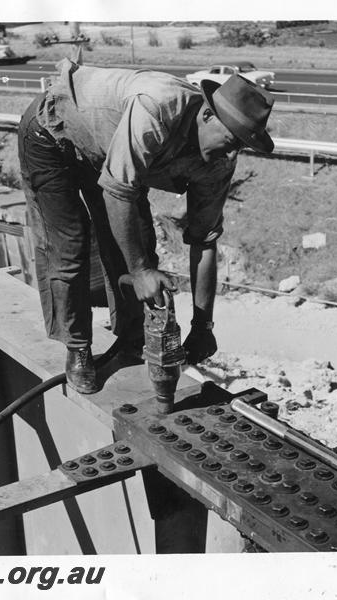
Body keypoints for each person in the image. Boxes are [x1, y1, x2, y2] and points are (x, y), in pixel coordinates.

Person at [18, 59, 274, 394]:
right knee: (70, 246)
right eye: (230, 139)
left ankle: (131, 338)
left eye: (242, 144)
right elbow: (117, 189)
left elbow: (205, 241)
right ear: (208, 116)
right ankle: (77, 348)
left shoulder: (219, 161)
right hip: (52, 134)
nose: (233, 151)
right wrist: (139, 272)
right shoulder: (157, 105)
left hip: (106, 152)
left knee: (135, 243)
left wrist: (202, 325)